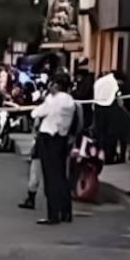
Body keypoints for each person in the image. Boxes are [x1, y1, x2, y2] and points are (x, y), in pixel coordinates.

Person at [31, 73, 77, 225]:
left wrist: (39, 107)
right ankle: (65, 212)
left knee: (50, 178)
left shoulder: (54, 99)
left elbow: (37, 112)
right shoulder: (70, 101)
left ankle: (53, 214)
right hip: (61, 139)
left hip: (49, 139)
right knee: (61, 177)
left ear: (56, 85)